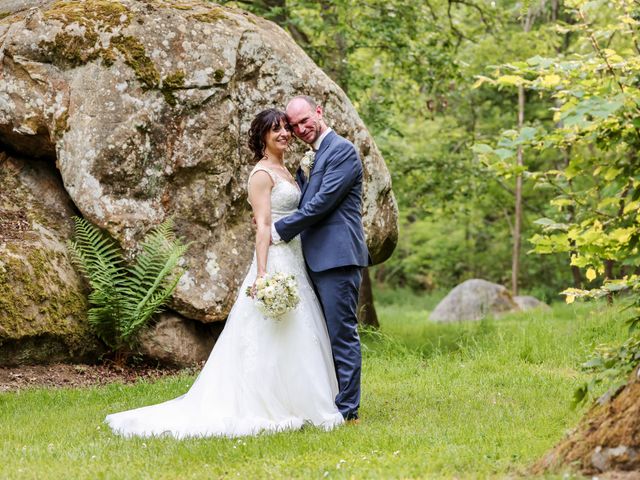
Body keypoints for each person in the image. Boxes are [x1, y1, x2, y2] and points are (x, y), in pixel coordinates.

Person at [105, 108, 344, 438]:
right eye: (276, 130)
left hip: (296, 257)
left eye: (286, 128)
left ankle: (299, 400)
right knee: (272, 331)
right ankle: (268, 403)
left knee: (297, 331)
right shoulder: (261, 174)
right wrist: (262, 274)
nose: (284, 134)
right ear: (262, 136)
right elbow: (262, 226)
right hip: (275, 259)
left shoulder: (287, 170)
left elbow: (294, 212)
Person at [272, 96, 370, 422]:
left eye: (304, 120)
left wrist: (279, 229)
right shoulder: (313, 156)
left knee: (342, 335)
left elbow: (321, 204)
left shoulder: (341, 151)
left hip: (337, 258)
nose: (301, 129)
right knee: (321, 334)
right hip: (314, 258)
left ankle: (348, 411)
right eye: (294, 125)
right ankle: (329, 400)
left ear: (319, 112)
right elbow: (306, 197)